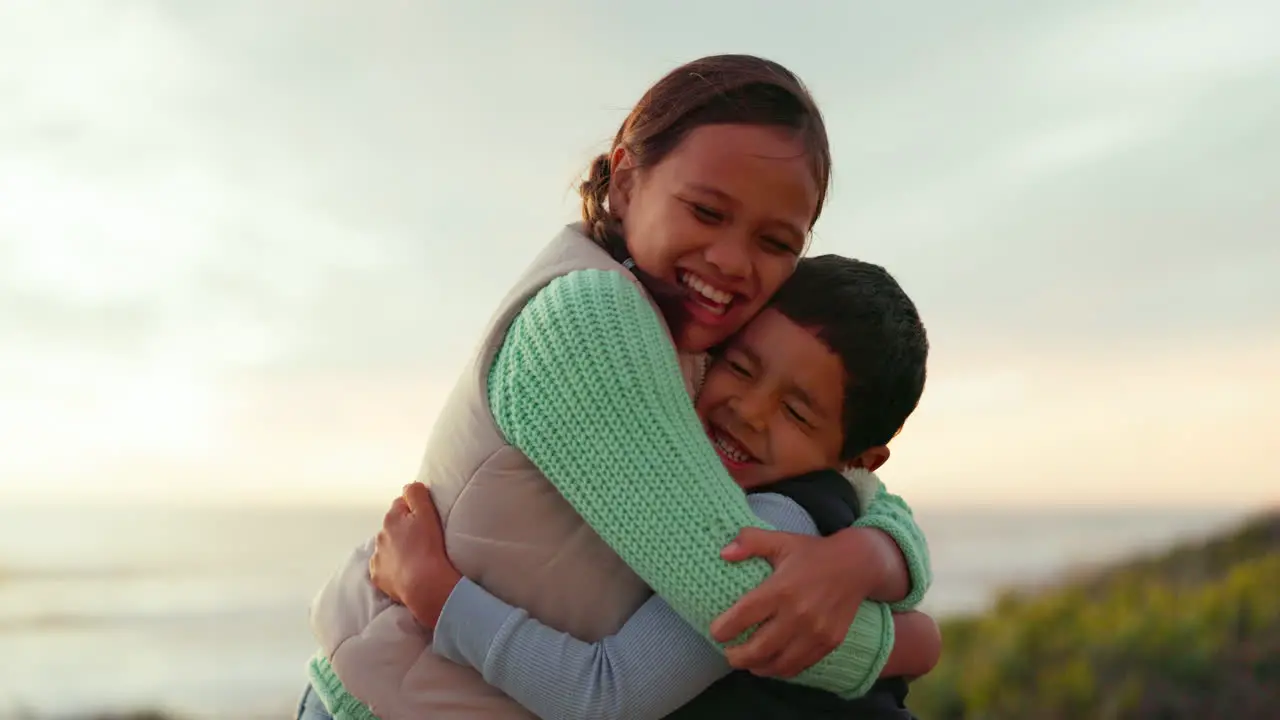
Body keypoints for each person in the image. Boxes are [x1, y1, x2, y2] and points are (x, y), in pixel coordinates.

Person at [301, 55, 932, 720]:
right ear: (627, 181)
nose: (731, 260)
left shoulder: (709, 340)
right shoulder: (590, 319)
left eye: (775, 242)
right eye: (706, 210)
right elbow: (746, 614)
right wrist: (909, 641)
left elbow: (858, 484)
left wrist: (866, 557)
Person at [371, 255, 940, 719]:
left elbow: (603, 698)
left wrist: (437, 595)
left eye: (795, 411)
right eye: (739, 368)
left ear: (857, 459)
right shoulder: (812, 499)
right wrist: (879, 563)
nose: (748, 411)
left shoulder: (773, 529)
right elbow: (886, 510)